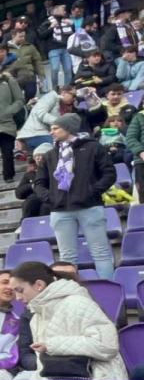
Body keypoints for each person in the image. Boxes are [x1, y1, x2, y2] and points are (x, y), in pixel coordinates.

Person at [10, 261, 128, 380]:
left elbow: (107, 346)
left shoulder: (78, 303)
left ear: (39, 285)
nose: (18, 297)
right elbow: (43, 365)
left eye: (20, 290)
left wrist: (52, 345)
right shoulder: (36, 317)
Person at [33, 113, 116, 280]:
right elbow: (39, 183)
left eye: (56, 128)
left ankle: (108, 290)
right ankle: (71, 294)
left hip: (90, 207)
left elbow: (109, 174)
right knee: (66, 257)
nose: (52, 132)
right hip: (60, 210)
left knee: (100, 252)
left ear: (68, 128)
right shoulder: (50, 155)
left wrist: (91, 191)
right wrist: (50, 198)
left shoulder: (93, 147)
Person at [15, 145, 52, 220]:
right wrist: (32, 186)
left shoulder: (55, 170)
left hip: (50, 197)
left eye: (41, 155)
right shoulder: (30, 174)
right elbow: (19, 193)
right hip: (34, 200)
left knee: (45, 207)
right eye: (36, 156)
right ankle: (25, 225)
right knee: (31, 201)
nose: (38, 158)